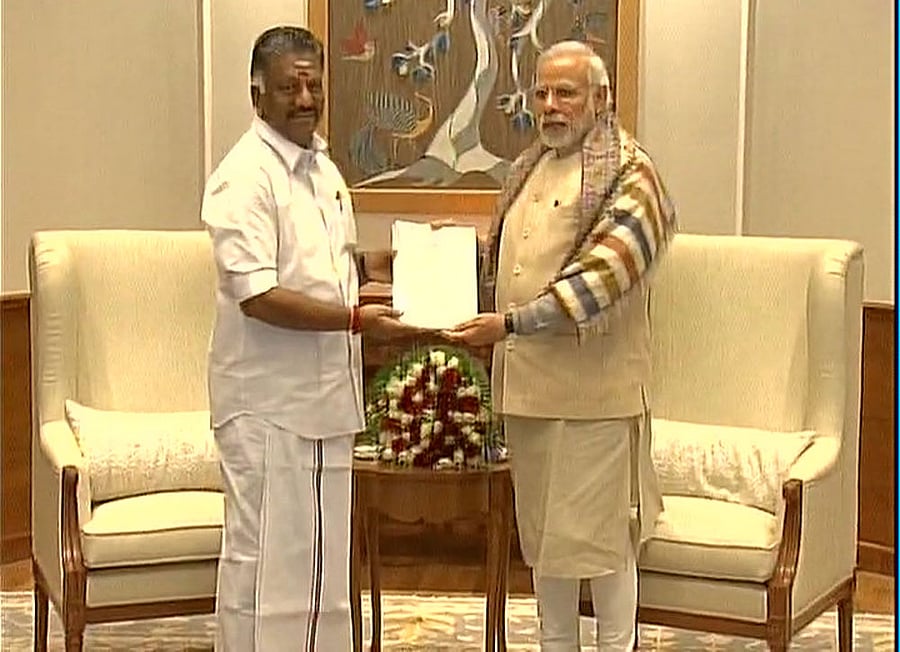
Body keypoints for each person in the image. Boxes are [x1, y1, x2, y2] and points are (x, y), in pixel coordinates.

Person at [445, 40, 677, 651]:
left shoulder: (632, 173)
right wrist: (445, 258)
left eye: (566, 92)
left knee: (600, 546)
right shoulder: (528, 167)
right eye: (542, 92)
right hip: (528, 393)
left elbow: (600, 278)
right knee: (545, 544)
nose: (550, 105)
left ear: (601, 99)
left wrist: (510, 325)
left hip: (594, 400)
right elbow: (512, 262)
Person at [201, 25, 417, 651]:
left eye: (314, 83)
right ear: (257, 92)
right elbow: (258, 293)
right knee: (264, 569)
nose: (304, 97)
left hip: (325, 405)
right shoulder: (243, 178)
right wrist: (355, 320)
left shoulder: (322, 169)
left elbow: (329, 266)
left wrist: (388, 263)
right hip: (268, 408)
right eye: (289, 85)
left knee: (323, 578)